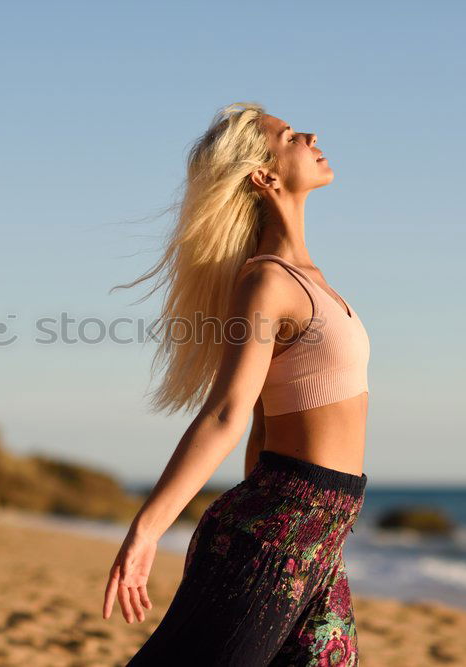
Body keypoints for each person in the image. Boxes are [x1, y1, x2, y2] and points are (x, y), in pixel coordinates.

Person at [103, 101, 370, 666]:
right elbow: (227, 413)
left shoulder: (310, 281)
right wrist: (147, 530)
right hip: (276, 534)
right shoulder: (267, 282)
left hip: (318, 537)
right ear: (264, 175)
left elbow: (265, 428)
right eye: (292, 135)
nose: (313, 134)